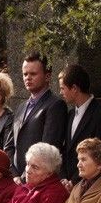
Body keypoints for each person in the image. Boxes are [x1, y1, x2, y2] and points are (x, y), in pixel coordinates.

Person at [11, 53, 67, 181]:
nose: (28, 78)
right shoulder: (20, 107)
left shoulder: (55, 105)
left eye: (33, 74)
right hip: (16, 180)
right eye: (25, 74)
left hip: (39, 179)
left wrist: (25, 176)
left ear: (47, 76)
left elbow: (48, 147)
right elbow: (10, 145)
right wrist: (14, 175)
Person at [58, 64, 101, 188]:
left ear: (74, 88)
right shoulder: (70, 114)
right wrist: (64, 179)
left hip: (91, 186)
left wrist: (74, 181)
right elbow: (65, 149)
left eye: (62, 88)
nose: (60, 92)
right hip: (68, 186)